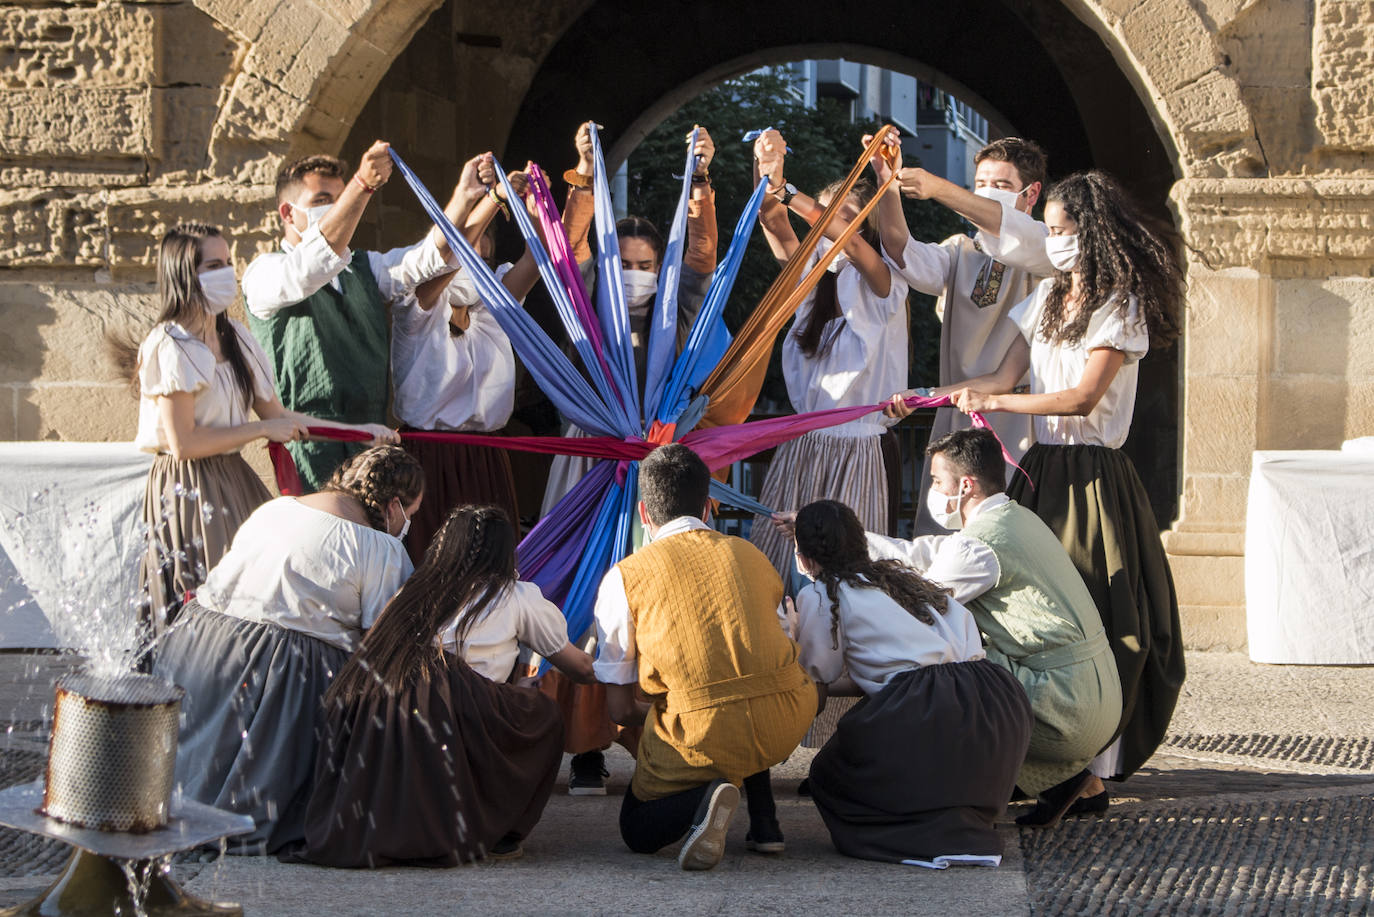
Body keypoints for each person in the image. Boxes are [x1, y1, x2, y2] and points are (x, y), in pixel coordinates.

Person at [887, 169, 1186, 796]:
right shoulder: (1047, 299)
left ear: (1093, 232)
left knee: (1106, 609)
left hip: (1094, 476)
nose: (1054, 243)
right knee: (1027, 609)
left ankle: (1094, 770)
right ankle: (1043, 751)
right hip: (1043, 467)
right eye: (1048, 231)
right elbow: (998, 379)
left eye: (1064, 231)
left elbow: (1079, 399)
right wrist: (924, 397)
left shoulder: (1120, 305)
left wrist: (997, 402)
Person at [540, 122, 720, 798]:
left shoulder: (685, 312)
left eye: (648, 266)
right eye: (627, 267)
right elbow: (572, 248)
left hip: (662, 475)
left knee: (663, 600)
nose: (638, 277)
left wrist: (699, 181)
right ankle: (584, 745)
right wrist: (584, 176)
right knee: (583, 597)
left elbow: (701, 256)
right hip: (588, 468)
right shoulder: (588, 312)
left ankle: (660, 740)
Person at [121, 221, 394, 627]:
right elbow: (183, 444)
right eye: (213, 265)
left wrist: (362, 432)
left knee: (257, 589)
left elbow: (279, 418)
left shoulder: (235, 337)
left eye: (228, 262)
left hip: (232, 476)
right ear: (185, 274)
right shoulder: (169, 344)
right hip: (187, 486)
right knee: (208, 595)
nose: (227, 274)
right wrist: (260, 431)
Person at [152, 445, 422, 854]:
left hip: (200, 641)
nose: (408, 525)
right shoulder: (380, 548)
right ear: (394, 505)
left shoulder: (277, 508)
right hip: (281, 665)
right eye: (411, 514)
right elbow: (382, 641)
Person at [292, 505, 590, 867]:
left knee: (494, 699)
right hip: (463, 719)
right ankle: (501, 834)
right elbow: (579, 668)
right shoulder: (517, 595)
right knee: (542, 714)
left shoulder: (410, 593)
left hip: (390, 714)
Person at [856, 428, 1122, 826]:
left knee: (942, 659)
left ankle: (949, 795)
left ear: (966, 485)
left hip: (1068, 711)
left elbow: (917, 607)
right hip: (1098, 697)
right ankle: (1071, 784)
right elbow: (923, 555)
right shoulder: (1016, 518)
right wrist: (853, 541)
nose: (933, 489)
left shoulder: (980, 545)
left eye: (936, 481)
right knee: (965, 644)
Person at [747, 127, 909, 748]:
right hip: (804, 444)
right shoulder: (812, 281)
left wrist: (793, 192)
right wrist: (768, 178)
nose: (830, 228)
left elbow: (846, 244)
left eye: (845, 217)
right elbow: (778, 229)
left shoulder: (883, 280)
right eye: (826, 214)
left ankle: (845, 737)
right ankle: (774, 714)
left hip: (857, 447)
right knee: (774, 571)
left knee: (847, 582)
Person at [592, 444, 814, 871]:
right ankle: (765, 824)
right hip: (786, 715)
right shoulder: (750, 554)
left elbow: (620, 709)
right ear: (709, 508)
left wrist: (669, 709)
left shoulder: (625, 576)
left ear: (643, 514)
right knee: (743, 691)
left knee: (637, 829)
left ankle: (706, 796)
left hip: (705, 732)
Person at [790, 499, 1032, 866]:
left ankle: (930, 838)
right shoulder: (907, 581)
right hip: (991, 702)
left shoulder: (824, 593)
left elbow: (817, 675)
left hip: (925, 711)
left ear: (804, 557)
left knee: (829, 772)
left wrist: (793, 634)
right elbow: (904, 671)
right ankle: (956, 824)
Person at [243, 141, 466, 491]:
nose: (333, 209)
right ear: (288, 214)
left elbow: (424, 259)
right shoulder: (265, 274)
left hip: (370, 442)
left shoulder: (364, 267)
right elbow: (311, 265)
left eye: (338, 198)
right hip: (310, 448)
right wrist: (361, 186)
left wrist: (469, 199)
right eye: (321, 201)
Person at [882, 136, 1052, 533]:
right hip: (955, 410)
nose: (989, 195)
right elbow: (900, 250)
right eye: (982, 185)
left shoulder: (1047, 246)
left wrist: (937, 187)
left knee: (1004, 533)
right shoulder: (960, 251)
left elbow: (1006, 227)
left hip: (1016, 417)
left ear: (1032, 193)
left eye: (1003, 186)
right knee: (943, 534)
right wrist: (887, 182)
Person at [391, 154, 544, 564]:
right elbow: (445, 256)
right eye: (466, 250)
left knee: (488, 571)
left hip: (485, 456)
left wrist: (537, 209)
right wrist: (493, 197)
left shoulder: (492, 304)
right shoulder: (416, 306)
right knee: (428, 566)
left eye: (482, 254)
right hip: (427, 460)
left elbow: (536, 261)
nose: (472, 261)